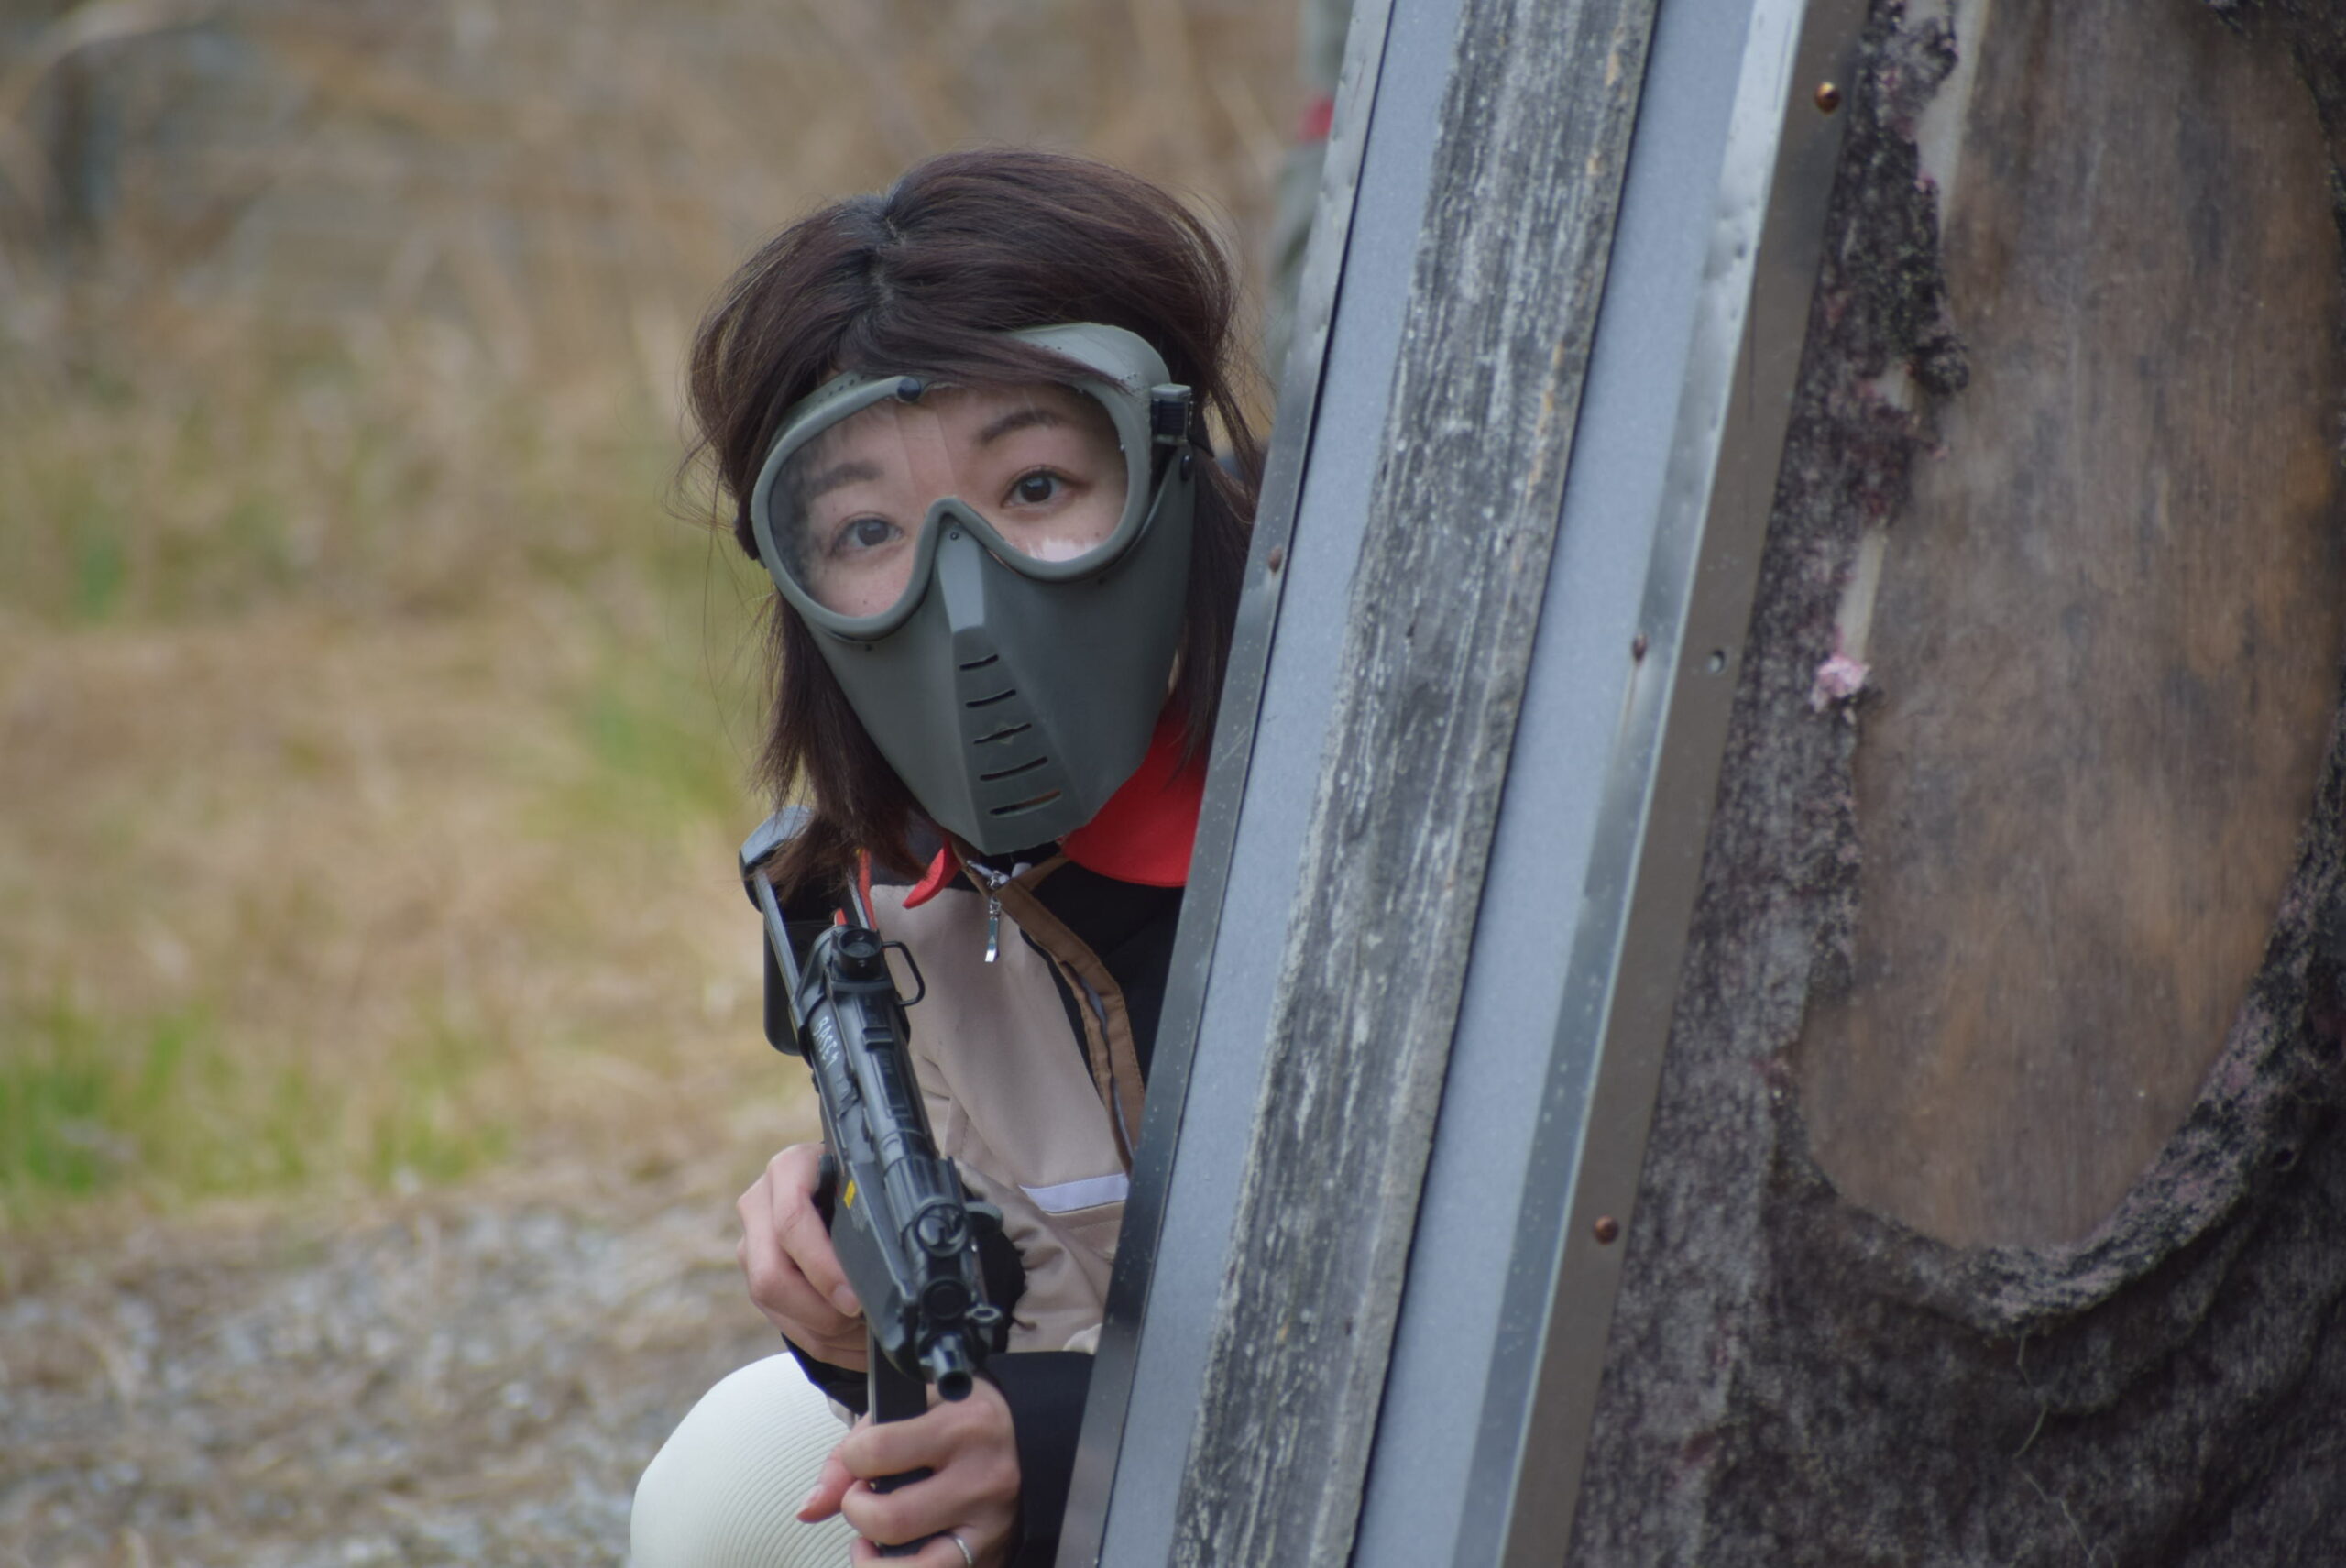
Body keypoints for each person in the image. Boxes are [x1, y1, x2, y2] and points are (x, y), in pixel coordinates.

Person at [629, 148, 1260, 1568]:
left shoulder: (1368, 825)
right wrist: (863, 1319)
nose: (962, 596)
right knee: (722, 1491)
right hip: (1142, 1464)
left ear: (1165, 467)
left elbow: (1458, 1343)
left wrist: (1057, 1453)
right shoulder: (870, 898)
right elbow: (1025, 1339)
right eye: (867, 530)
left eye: (1036, 484)